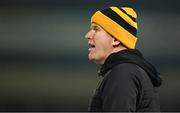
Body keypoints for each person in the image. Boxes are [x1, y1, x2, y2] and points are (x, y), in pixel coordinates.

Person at [85, 6, 162, 112]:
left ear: (115, 39)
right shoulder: (128, 70)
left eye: (96, 29)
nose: (88, 35)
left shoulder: (123, 73)